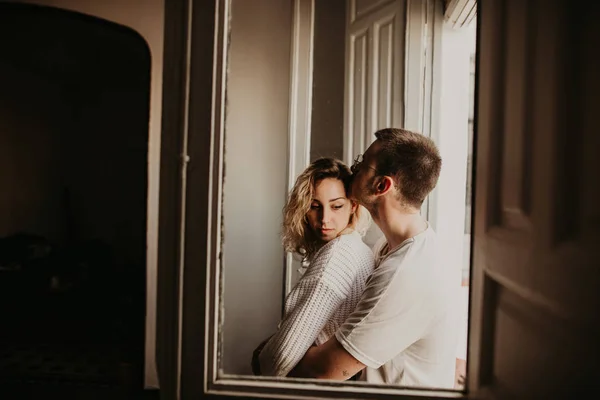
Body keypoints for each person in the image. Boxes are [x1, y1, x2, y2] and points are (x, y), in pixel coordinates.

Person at [290, 128, 460, 389]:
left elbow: (324, 371)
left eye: (361, 164)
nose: (353, 170)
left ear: (382, 185)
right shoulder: (389, 246)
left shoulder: (407, 272)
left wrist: (268, 357)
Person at [253, 157, 375, 377]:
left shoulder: (339, 256)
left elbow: (281, 356)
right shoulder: (358, 248)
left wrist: (260, 359)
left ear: (353, 206)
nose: (324, 218)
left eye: (337, 206)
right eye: (314, 206)